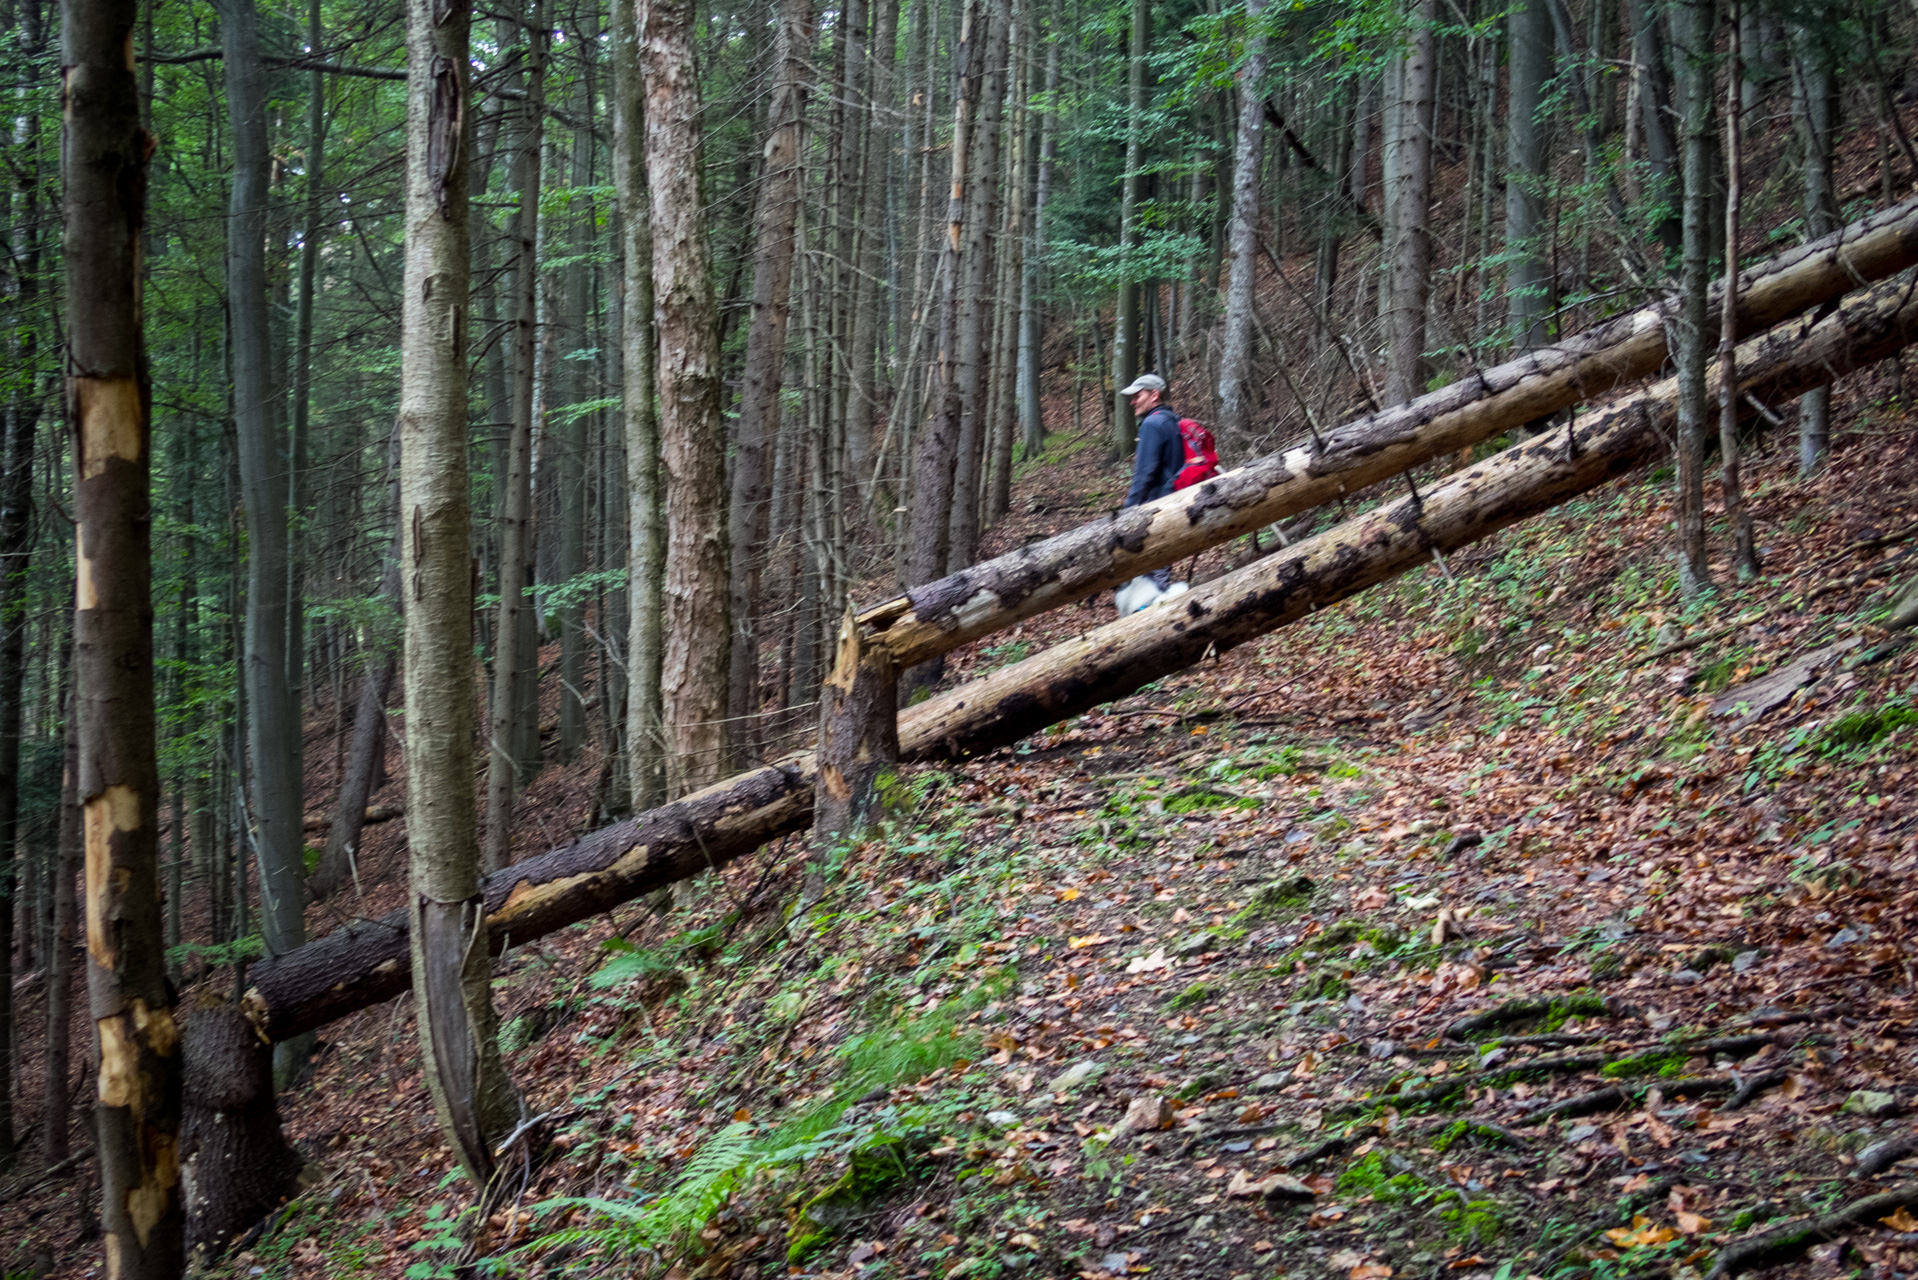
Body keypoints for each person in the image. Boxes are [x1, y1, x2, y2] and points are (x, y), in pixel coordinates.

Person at [1120, 372, 1182, 588]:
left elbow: (1144, 474)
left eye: (1138, 396)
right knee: (1161, 569)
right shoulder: (1172, 420)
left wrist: (1127, 512)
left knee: (1151, 578)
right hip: (1174, 505)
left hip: (1155, 512)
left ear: (1154, 395)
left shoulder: (1151, 425)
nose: (1132, 401)